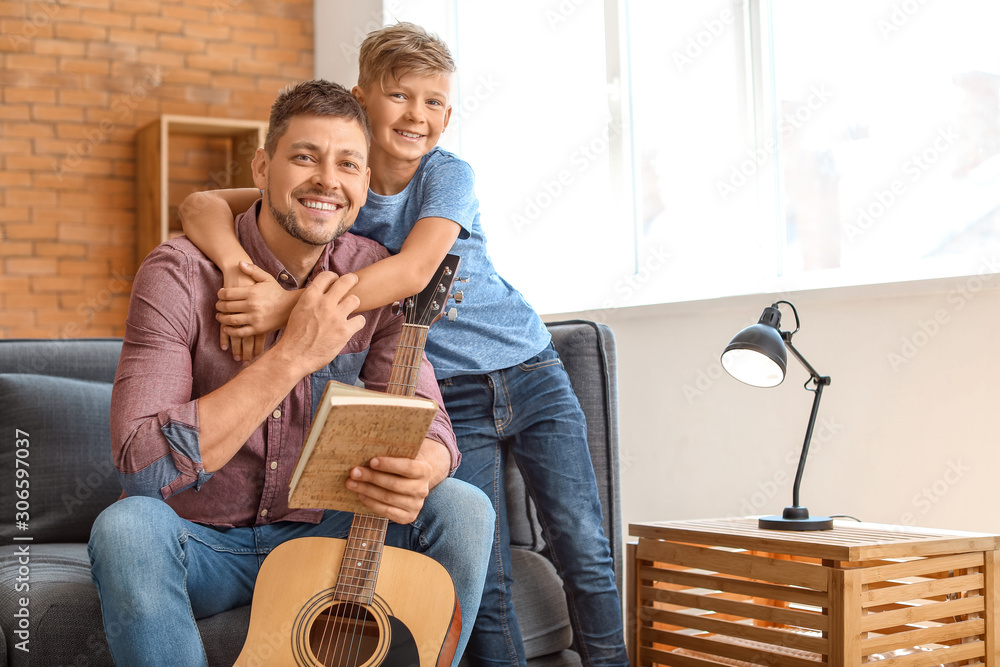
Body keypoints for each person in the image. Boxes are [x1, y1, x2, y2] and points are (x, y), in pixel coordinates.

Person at [177, 24, 629, 666]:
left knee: (583, 543)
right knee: (486, 564)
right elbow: (199, 205)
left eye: (436, 101)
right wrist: (234, 266)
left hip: (528, 367)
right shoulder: (341, 191)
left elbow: (415, 272)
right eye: (400, 96)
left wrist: (283, 304)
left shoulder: (447, 175)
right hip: (449, 393)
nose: (418, 115)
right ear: (362, 99)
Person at [88, 79, 494, 667]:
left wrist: (423, 468)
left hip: (326, 539)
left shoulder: (372, 275)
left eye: (348, 164)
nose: (328, 180)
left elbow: (431, 427)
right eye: (305, 156)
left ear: (363, 185)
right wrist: (293, 355)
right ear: (262, 167)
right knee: (127, 527)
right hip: (203, 544)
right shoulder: (178, 274)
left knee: (462, 506)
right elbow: (145, 467)